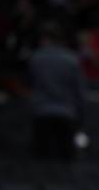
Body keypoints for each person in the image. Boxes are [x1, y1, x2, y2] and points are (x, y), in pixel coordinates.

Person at [29, 21, 86, 159]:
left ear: (44, 38)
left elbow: (30, 85)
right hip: (67, 114)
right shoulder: (71, 60)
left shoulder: (36, 58)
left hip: (41, 113)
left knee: (41, 161)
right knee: (66, 161)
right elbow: (79, 92)